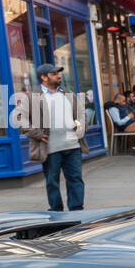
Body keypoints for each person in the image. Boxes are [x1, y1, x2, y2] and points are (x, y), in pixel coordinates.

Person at [17, 63, 90, 211]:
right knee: (52, 182)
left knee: (75, 179)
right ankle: (56, 212)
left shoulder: (68, 93)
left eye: (58, 73)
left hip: (72, 146)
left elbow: (82, 114)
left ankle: (77, 211)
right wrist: (37, 134)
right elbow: (19, 118)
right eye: (54, 74)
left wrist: (81, 129)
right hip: (50, 148)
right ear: (44, 77)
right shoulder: (33, 97)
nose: (59, 76)